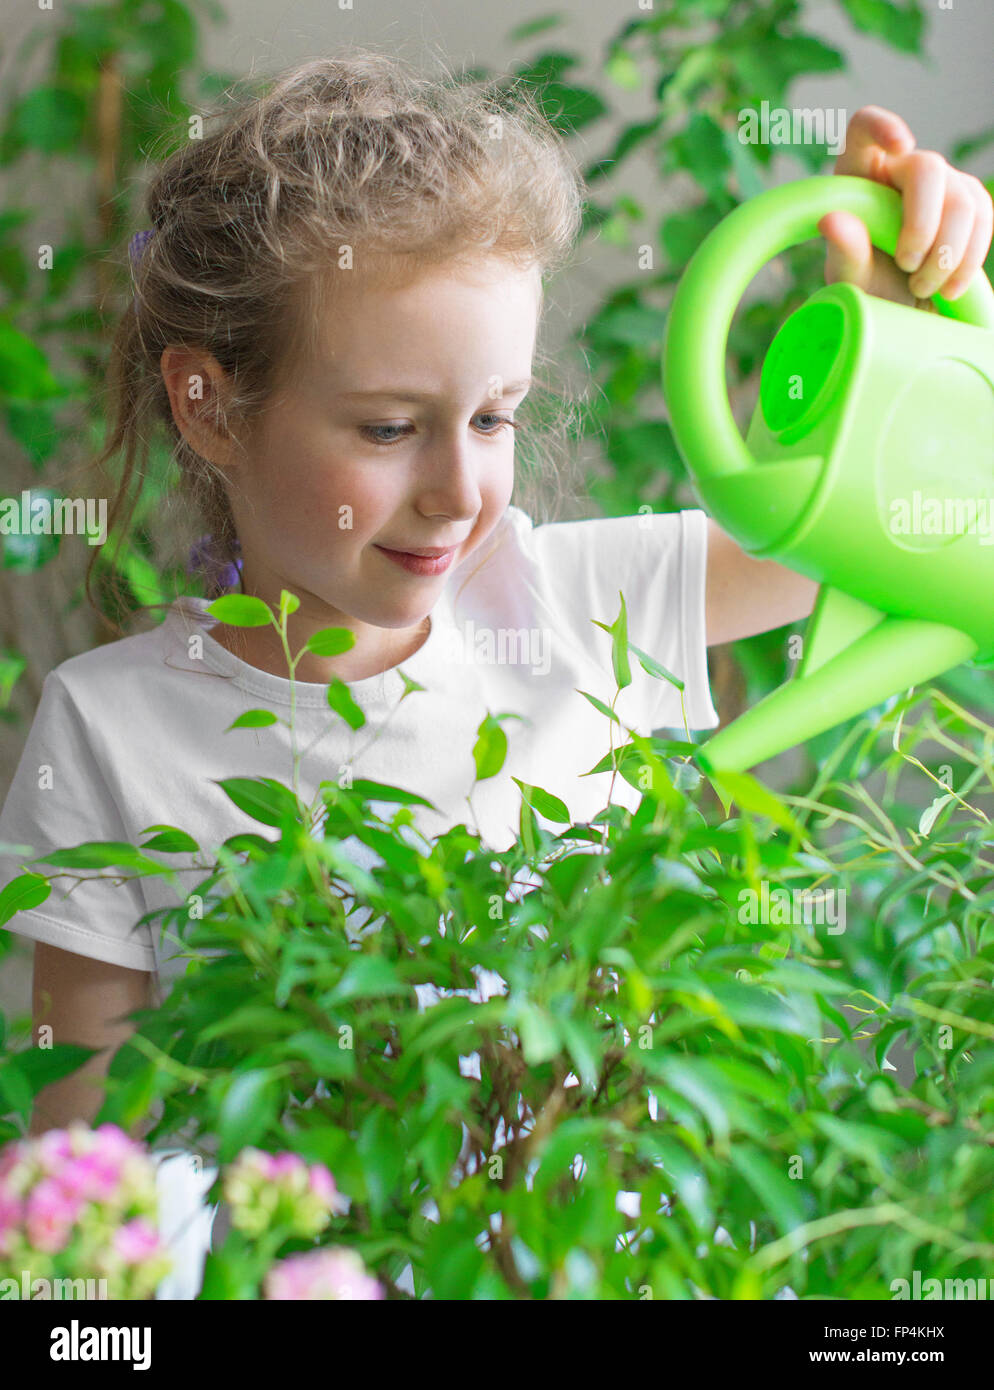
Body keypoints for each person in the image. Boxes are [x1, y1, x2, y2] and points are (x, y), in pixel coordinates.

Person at [0, 51, 990, 1297]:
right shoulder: (111, 725)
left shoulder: (578, 605)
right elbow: (83, 1219)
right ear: (208, 405)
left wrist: (899, 329)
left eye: (493, 417)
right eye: (386, 426)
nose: (461, 493)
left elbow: (909, 522)